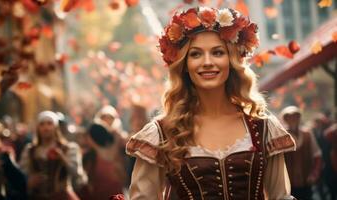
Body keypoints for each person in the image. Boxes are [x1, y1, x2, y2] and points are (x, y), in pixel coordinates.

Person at [125, 7, 297, 199]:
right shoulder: (162, 133)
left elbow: (280, 195)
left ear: (231, 61)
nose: (207, 62)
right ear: (184, 65)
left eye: (217, 52)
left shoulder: (263, 127)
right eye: (196, 54)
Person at [19, 111, 87, 200]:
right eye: (42, 124)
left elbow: (77, 175)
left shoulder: (69, 148)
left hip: (62, 196)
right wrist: (29, 181)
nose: (46, 128)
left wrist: (63, 158)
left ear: (55, 127)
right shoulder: (29, 150)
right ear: (38, 128)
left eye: (49, 124)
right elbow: (22, 175)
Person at [280, 106, 322, 200]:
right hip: (289, 183)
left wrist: (314, 173)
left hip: (306, 179)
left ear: (299, 118)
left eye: (295, 117)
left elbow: (317, 155)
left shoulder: (307, 134)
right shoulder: (281, 136)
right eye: (289, 117)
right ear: (285, 119)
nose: (293, 119)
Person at [78, 123, 125, 200]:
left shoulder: (90, 155)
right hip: (116, 194)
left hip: (100, 195)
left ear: (91, 138)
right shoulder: (116, 152)